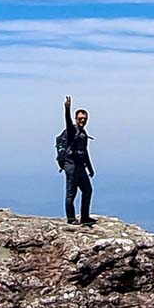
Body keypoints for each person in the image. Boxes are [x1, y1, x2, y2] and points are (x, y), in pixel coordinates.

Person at [60, 95, 95, 225]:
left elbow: (85, 152)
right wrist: (67, 109)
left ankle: (85, 217)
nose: (82, 121)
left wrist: (90, 168)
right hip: (71, 166)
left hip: (80, 166)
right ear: (76, 119)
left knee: (87, 190)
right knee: (71, 193)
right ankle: (71, 218)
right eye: (80, 118)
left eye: (85, 119)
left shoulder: (83, 133)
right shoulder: (71, 130)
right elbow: (67, 121)